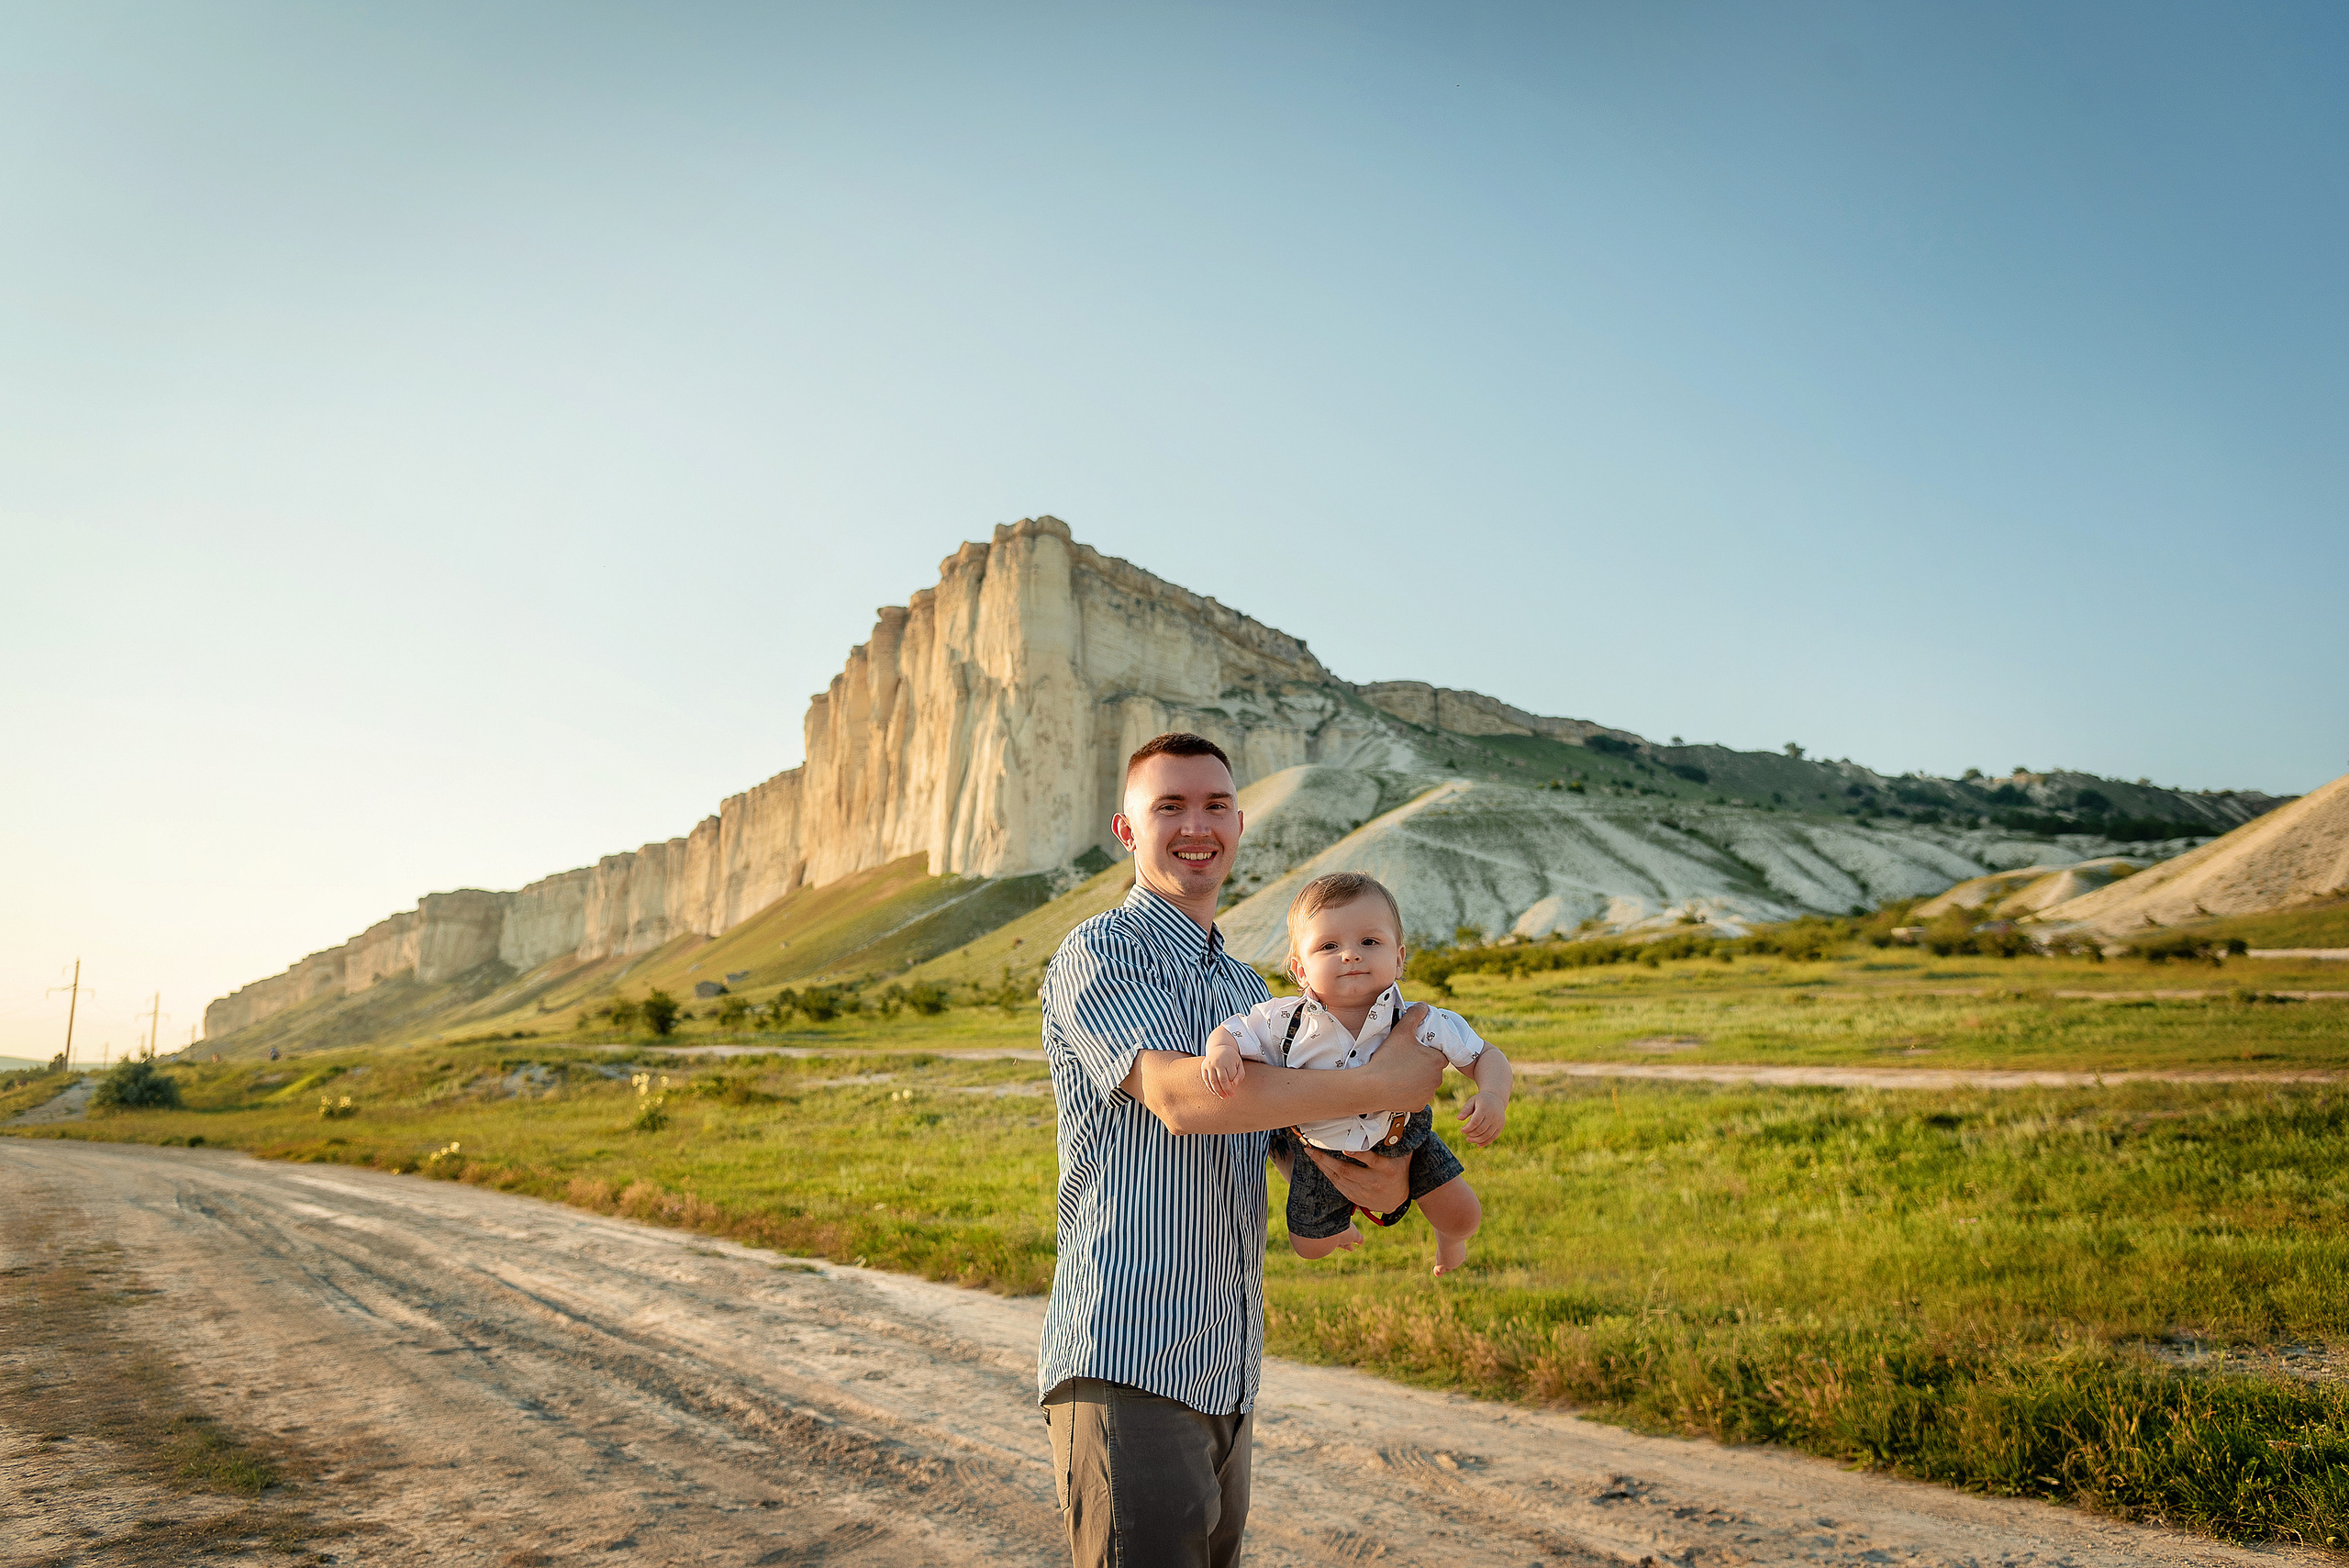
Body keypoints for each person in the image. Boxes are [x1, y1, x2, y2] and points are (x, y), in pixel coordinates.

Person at [1039, 732, 1447, 1568]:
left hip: (1226, 1359)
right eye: (1171, 807)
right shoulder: (1100, 951)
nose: (1198, 825)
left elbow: (1286, 1136)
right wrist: (1386, 1084)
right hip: (1128, 1349)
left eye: (1216, 805)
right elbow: (1184, 1100)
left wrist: (1383, 1170)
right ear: (1127, 831)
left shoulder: (1245, 988)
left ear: (1239, 822)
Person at [1202, 872, 1512, 1274]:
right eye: (1329, 946)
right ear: (1299, 969)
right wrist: (1221, 1050)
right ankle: (1341, 1225)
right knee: (1309, 1247)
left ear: (1399, 959)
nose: (1351, 954)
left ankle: (1449, 1240)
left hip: (1405, 1136)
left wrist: (1492, 1096)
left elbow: (1486, 1054)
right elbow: (1232, 1030)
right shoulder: (1283, 1021)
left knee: (1464, 1216)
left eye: (1369, 942)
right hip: (1319, 1150)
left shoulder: (1420, 1021)